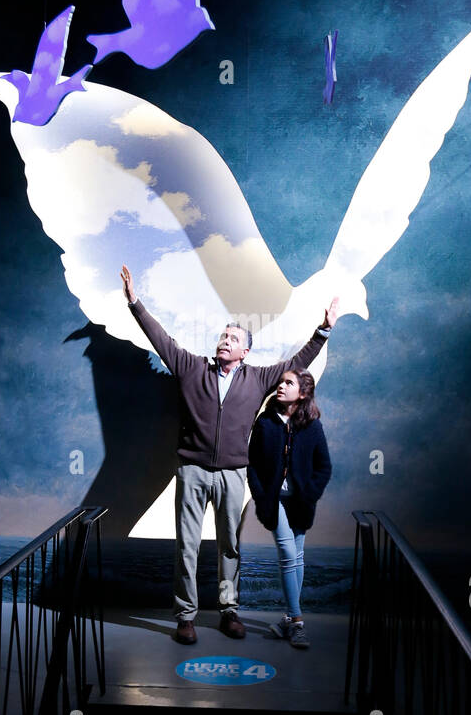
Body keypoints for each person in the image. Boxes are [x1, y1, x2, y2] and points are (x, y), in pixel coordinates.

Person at [120, 264, 340, 644]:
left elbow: (296, 364)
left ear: (245, 351)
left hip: (234, 474)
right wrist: (135, 303)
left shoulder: (257, 379)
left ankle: (229, 612)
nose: (224, 340)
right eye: (222, 335)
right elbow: (162, 340)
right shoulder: (191, 368)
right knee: (186, 546)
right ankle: (186, 617)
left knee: (229, 546)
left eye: (232, 338)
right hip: (191, 470)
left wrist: (323, 331)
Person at [247, 370, 331, 648]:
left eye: (288, 383)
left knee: (298, 556)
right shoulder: (265, 422)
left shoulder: (312, 426)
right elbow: (253, 464)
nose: (280, 386)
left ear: (303, 393)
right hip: (274, 501)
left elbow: (323, 467)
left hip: (300, 503)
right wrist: (260, 496)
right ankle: (297, 621)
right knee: (287, 553)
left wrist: (308, 494)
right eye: (281, 381)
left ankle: (287, 621)